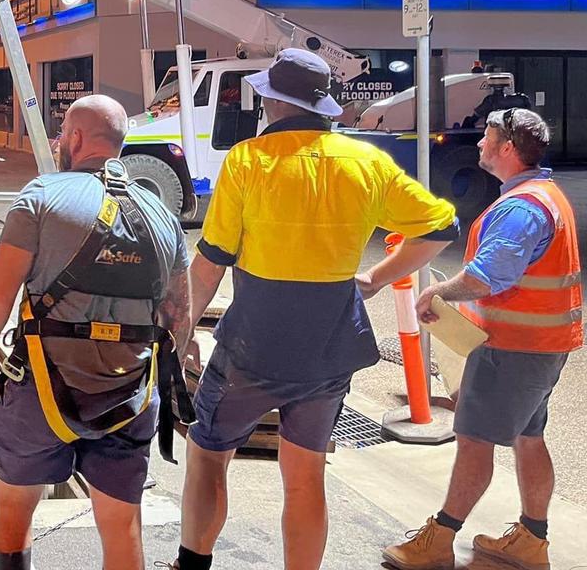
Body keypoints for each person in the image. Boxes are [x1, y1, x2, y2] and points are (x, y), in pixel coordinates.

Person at [170, 48, 460, 570]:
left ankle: (191, 565)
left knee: (208, 456)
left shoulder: (247, 160)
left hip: (251, 348)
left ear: (270, 99)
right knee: (305, 476)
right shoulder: (366, 162)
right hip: (328, 350)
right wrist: (374, 278)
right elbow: (440, 228)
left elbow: (210, 264)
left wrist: (179, 335)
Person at [0, 94, 193, 570]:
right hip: (128, 395)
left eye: (63, 133)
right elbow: (178, 317)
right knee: (122, 526)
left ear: (77, 138)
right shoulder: (164, 217)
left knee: (12, 514)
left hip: (40, 395)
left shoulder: (41, 197)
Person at [383, 108, 581, 570]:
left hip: (512, 348)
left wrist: (438, 290)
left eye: (486, 138)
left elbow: (490, 276)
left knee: (474, 440)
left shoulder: (519, 208)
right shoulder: (544, 195)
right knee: (530, 437)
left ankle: (438, 541)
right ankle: (532, 540)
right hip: (541, 346)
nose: (478, 145)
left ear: (507, 148)